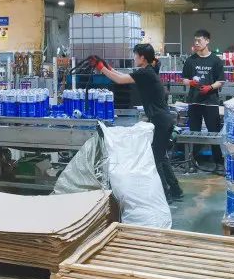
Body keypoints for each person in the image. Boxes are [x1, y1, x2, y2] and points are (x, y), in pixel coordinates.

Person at [89, 45, 183, 202]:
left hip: (160, 121)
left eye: (136, 55)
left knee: (156, 159)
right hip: (163, 119)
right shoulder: (149, 71)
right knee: (162, 157)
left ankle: (165, 195)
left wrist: (101, 68)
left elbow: (120, 80)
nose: (134, 58)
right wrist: (107, 67)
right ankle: (176, 190)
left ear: (142, 57)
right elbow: (123, 75)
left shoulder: (145, 73)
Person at [183, 29, 225, 166]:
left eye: (199, 40)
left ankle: (218, 160)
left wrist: (210, 87)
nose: (196, 43)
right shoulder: (190, 60)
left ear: (207, 41)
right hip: (194, 101)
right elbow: (184, 79)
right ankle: (194, 159)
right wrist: (190, 82)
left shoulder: (215, 60)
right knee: (194, 131)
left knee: (214, 131)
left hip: (210, 102)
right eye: (195, 40)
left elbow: (221, 81)